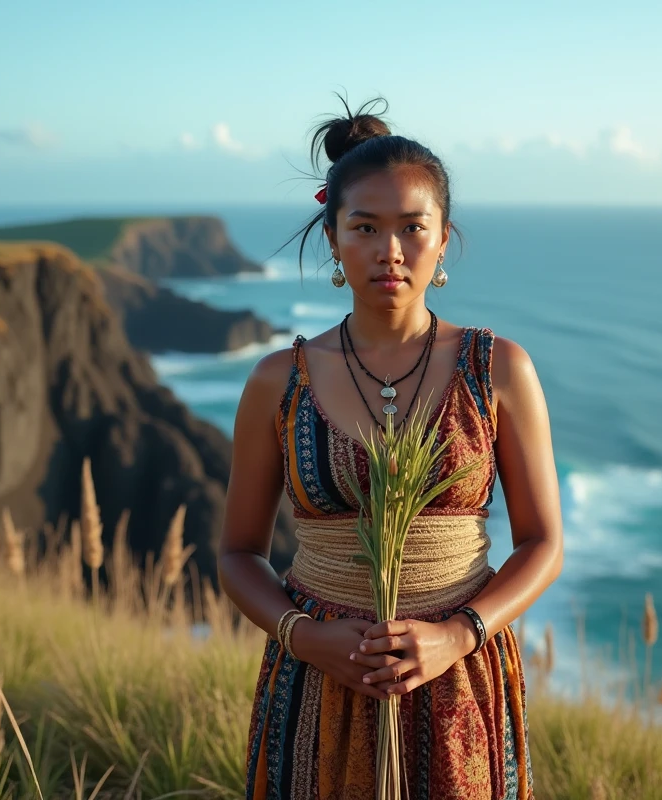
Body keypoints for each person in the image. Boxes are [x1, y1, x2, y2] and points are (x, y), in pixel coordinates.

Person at [218, 97, 564, 800]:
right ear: (333, 237)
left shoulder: (498, 370)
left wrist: (458, 636)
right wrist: (303, 636)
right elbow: (236, 553)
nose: (390, 251)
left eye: (413, 227)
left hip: (459, 681)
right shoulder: (278, 382)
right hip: (317, 684)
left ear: (444, 239)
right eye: (366, 227)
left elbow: (543, 543)